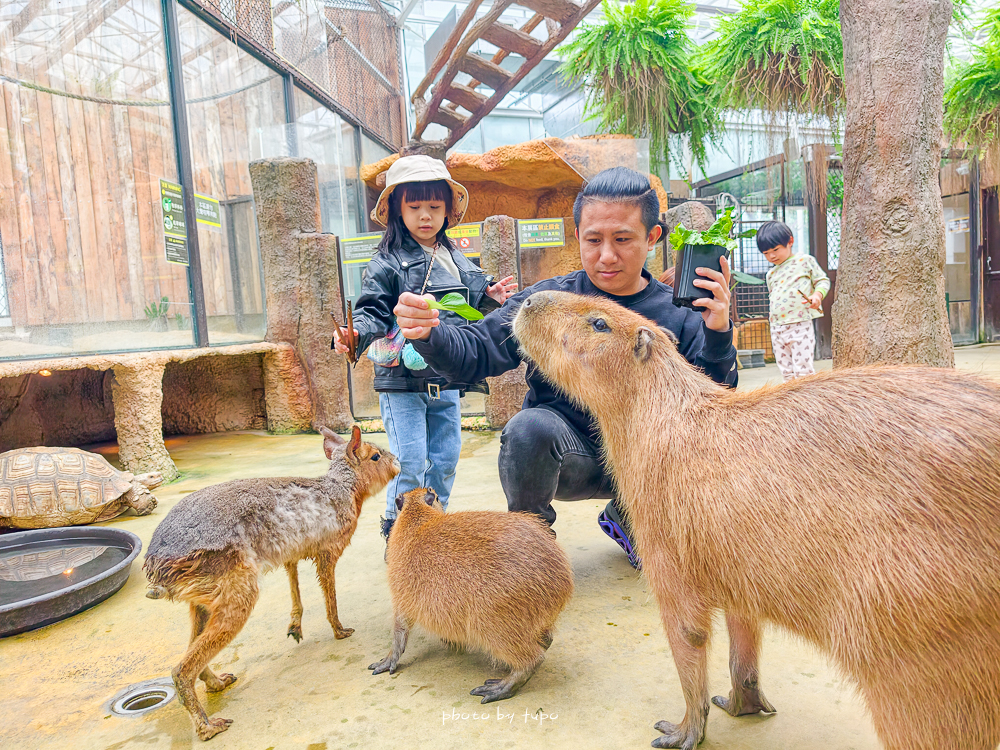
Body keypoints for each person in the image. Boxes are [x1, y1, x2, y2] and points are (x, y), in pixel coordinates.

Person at [392, 167, 737, 570]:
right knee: (528, 428)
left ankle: (631, 516)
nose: (606, 255)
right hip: (575, 456)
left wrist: (718, 332)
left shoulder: (681, 313)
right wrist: (429, 334)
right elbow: (476, 351)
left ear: (652, 237)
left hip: (650, 465)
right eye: (593, 240)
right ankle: (533, 548)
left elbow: (713, 410)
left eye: (623, 239)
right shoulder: (548, 301)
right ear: (577, 237)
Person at [333, 155, 517, 555]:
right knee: (410, 460)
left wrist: (491, 297)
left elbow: (470, 301)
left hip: (446, 377)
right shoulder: (386, 262)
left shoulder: (456, 256)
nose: (425, 216)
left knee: (446, 458)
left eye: (434, 206)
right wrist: (355, 334)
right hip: (402, 382)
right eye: (415, 207)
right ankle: (398, 533)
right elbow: (371, 310)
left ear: (448, 210)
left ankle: (433, 529)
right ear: (397, 210)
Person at [757, 220, 831, 381]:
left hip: (800, 324)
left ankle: (808, 396)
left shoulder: (804, 261)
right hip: (777, 327)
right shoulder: (770, 274)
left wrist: (817, 295)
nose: (771, 256)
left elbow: (822, 281)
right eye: (766, 253)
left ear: (790, 241)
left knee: (803, 371)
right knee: (786, 373)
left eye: (775, 250)